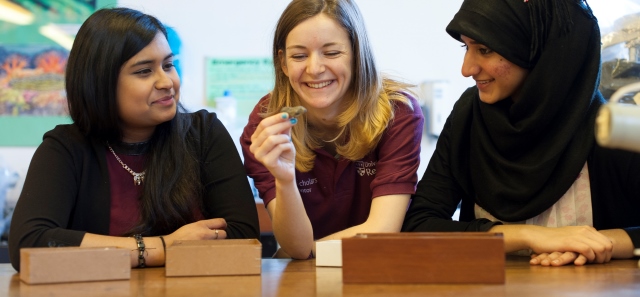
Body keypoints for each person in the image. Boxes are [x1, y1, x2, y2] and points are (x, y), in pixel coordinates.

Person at [8, 7, 259, 271]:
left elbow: (244, 238)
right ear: (100, 83)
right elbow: (30, 245)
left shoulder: (204, 133)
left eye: (168, 65)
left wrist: (106, 254)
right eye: (144, 71)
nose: (167, 82)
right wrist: (163, 247)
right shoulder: (66, 148)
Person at [402, 0, 640, 267]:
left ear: (542, 52)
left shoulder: (612, 128)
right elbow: (418, 226)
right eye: (465, 47)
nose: (466, 68)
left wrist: (600, 242)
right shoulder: (469, 114)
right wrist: (529, 236)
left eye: (485, 49)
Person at [241, 0, 424, 259]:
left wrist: (308, 250)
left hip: (380, 264)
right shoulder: (265, 125)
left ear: (356, 54)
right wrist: (285, 180)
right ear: (283, 63)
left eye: (331, 53)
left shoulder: (398, 112)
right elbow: (294, 245)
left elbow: (383, 229)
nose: (314, 69)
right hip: (306, 276)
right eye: (299, 56)